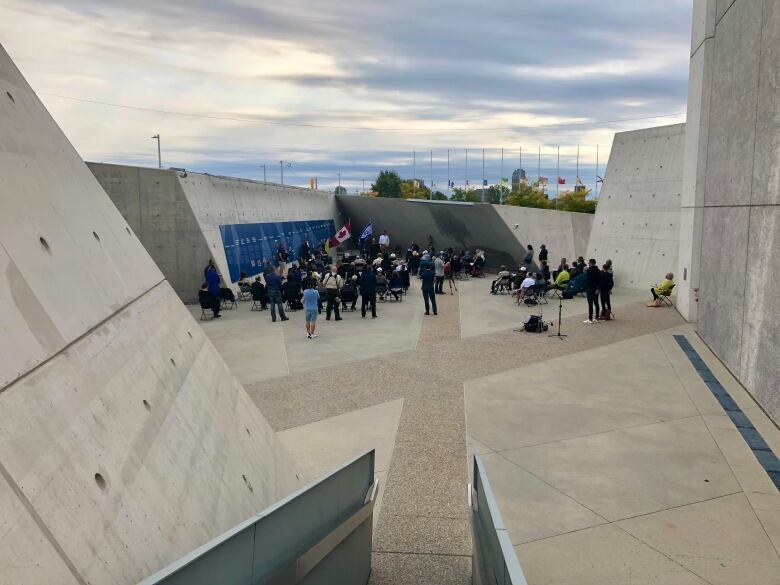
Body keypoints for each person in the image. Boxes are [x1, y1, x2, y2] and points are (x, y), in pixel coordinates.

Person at [583, 258, 601, 324]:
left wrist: (585, 270)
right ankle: (597, 317)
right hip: (596, 289)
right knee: (596, 303)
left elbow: (585, 277)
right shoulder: (598, 270)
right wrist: (598, 289)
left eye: (588, 263)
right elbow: (599, 280)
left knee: (590, 304)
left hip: (590, 289)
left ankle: (590, 318)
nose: (588, 263)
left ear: (590, 263)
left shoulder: (588, 270)